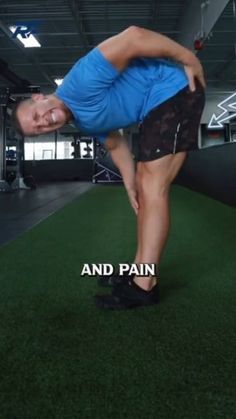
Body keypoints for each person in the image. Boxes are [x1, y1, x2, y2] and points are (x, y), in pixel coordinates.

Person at [12, 26, 206, 310]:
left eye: (35, 115)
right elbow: (115, 144)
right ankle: (140, 272)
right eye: (37, 129)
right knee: (144, 186)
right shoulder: (84, 122)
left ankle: (144, 286)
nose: (42, 122)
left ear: (39, 97)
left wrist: (188, 57)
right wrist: (129, 184)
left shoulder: (81, 80)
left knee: (153, 185)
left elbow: (134, 37)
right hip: (156, 106)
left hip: (174, 88)